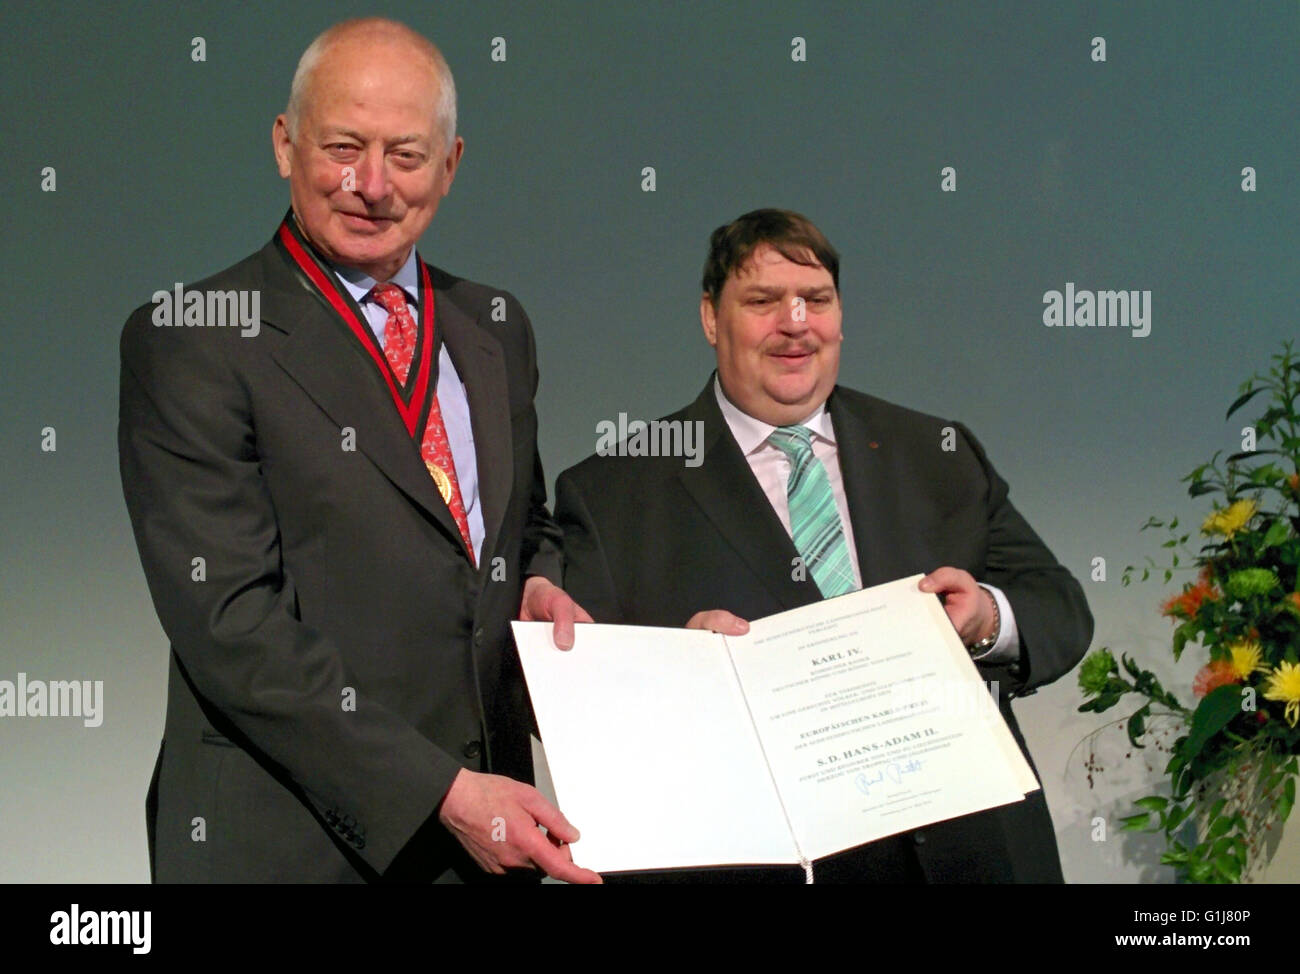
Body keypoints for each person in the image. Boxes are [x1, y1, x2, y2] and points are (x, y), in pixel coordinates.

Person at [118, 17, 600, 884]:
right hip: (292, 842)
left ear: (451, 165)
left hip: (487, 838)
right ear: (284, 144)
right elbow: (230, 625)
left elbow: (517, 527)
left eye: (406, 156)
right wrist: (445, 793)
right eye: (343, 146)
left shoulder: (496, 328)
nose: (371, 184)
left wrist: (539, 580)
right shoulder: (194, 338)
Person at [555, 208, 1093, 882]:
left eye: (816, 300)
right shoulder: (612, 492)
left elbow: (1061, 608)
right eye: (762, 301)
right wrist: (684, 678)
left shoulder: (936, 452)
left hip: (977, 859)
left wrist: (986, 618)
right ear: (710, 318)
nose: (796, 323)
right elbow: (582, 713)